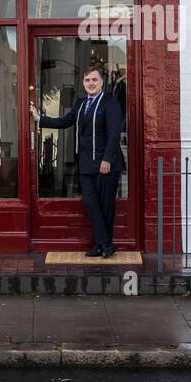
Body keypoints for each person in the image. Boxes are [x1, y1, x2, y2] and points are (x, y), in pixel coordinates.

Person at [30, 66, 124, 258]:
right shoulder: (81, 104)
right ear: (83, 83)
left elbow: (114, 134)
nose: (91, 83)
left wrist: (107, 159)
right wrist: (40, 119)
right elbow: (65, 121)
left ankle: (102, 245)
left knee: (106, 206)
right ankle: (105, 243)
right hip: (86, 164)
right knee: (91, 204)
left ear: (101, 82)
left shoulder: (110, 102)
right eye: (88, 80)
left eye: (94, 80)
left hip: (106, 164)